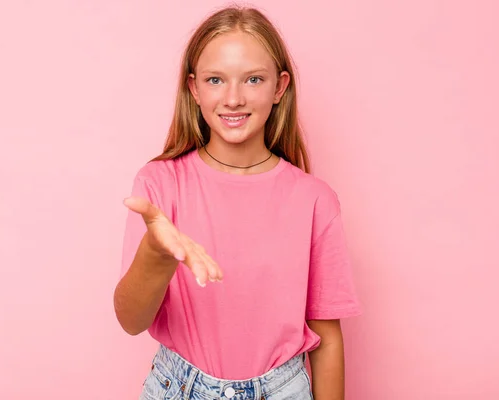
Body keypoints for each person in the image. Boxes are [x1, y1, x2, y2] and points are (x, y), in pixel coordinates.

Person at [113, 6, 362, 399]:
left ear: (279, 87)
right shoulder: (160, 184)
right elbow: (130, 320)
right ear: (194, 88)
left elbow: (327, 338)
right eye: (216, 79)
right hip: (178, 386)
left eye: (253, 79)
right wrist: (156, 255)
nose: (233, 98)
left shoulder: (314, 200)